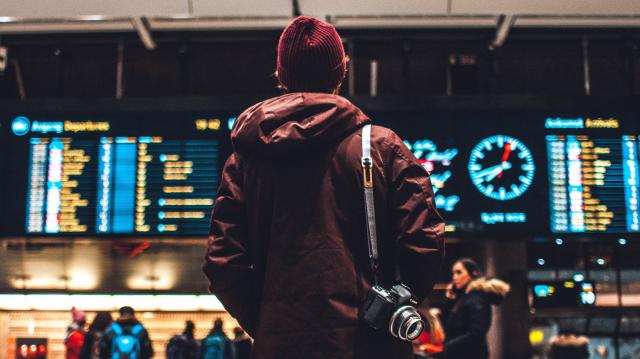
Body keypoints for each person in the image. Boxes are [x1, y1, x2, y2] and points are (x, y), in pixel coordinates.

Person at [202, 15, 445, 359]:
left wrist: (270, 322)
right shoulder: (381, 148)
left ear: (281, 75)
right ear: (340, 72)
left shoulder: (245, 160)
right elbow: (424, 238)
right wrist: (396, 302)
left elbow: (222, 261)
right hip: (368, 343)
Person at [440, 258, 510, 359]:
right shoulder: (464, 298)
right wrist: (450, 301)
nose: (454, 277)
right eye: (453, 273)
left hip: (471, 354)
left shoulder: (476, 298)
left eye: (459, 272)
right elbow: (447, 325)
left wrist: (448, 346)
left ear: (473, 273)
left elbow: (477, 333)